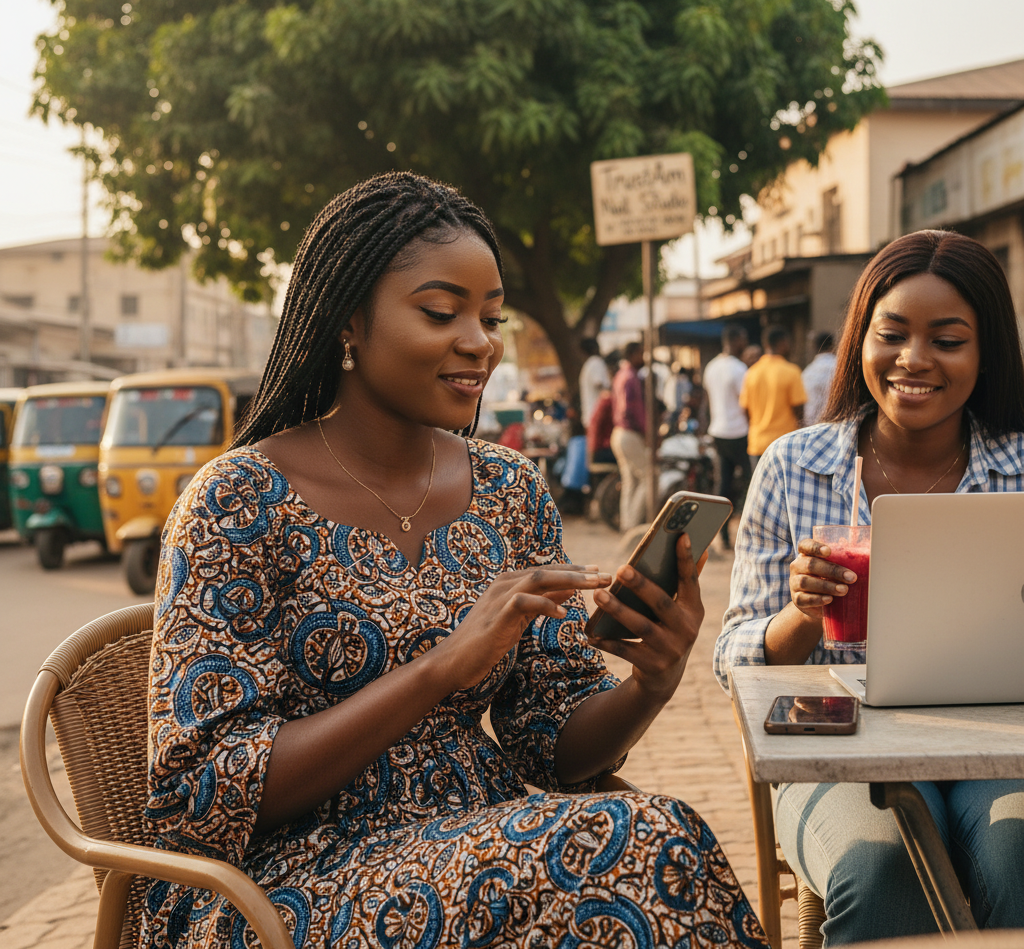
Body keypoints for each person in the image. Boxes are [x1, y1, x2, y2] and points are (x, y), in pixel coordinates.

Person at [142, 173, 768, 949]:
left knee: (658, 837)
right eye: (442, 313)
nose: (480, 341)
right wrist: (445, 665)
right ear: (347, 323)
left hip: (485, 831)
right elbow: (203, 792)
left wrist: (652, 680)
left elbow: (554, 740)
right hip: (283, 882)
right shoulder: (236, 501)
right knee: (627, 845)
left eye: (492, 316)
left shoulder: (508, 488)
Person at [714, 230, 1024, 943]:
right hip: (839, 754)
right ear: (861, 340)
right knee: (883, 870)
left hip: (999, 752)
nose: (914, 359)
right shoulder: (794, 467)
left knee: (1018, 860)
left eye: (948, 340)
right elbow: (731, 660)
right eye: (893, 334)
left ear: (986, 355)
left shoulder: (1019, 470)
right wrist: (799, 614)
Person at [703, 325, 752, 548]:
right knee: (752, 481)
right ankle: (748, 533)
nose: (745, 343)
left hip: (718, 431)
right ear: (735, 341)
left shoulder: (711, 367)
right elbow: (746, 404)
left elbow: (707, 400)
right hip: (738, 432)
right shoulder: (739, 369)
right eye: (743, 339)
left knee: (723, 485)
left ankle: (720, 536)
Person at [739, 325, 805, 470]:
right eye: (788, 343)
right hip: (785, 444)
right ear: (781, 343)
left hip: (757, 444)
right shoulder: (791, 371)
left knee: (760, 492)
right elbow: (799, 410)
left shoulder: (751, 373)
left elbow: (745, 410)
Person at [610, 341, 649, 532]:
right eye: (641, 353)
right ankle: (634, 525)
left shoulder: (621, 375)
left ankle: (628, 524)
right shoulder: (630, 377)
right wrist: (646, 431)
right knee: (648, 476)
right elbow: (631, 410)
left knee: (630, 480)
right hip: (629, 433)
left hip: (620, 433)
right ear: (633, 354)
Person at [802, 331, 837, 426]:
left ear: (815, 348)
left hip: (811, 425)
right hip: (836, 425)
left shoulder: (807, 372)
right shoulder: (840, 368)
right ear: (833, 346)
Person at [578, 337, 611, 427]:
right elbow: (599, 384)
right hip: (598, 416)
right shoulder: (595, 362)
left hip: (590, 416)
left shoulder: (588, 365)